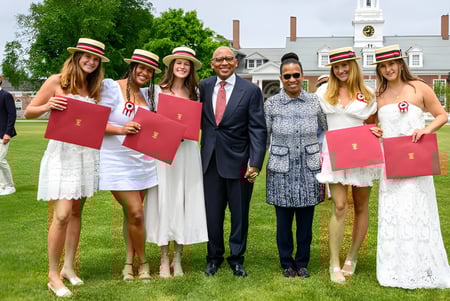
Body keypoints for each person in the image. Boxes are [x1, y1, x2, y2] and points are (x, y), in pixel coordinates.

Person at [24, 38, 109, 297]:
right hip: (62, 155)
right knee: (61, 215)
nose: (91, 62)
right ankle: (53, 274)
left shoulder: (94, 88)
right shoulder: (56, 81)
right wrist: (48, 106)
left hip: (86, 155)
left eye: (96, 59)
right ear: (76, 57)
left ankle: (69, 268)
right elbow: (28, 112)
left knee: (75, 213)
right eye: (87, 57)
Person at [372, 44, 450, 289]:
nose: (388, 69)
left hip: (417, 161)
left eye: (392, 64)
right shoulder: (379, 95)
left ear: (401, 63)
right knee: (393, 212)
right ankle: (395, 267)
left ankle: (423, 264)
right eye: (383, 66)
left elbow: (441, 115)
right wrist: (375, 131)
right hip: (391, 163)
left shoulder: (419, 87)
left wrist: (426, 129)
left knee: (417, 209)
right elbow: (373, 126)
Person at [200, 46, 267, 277]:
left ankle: (237, 258)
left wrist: (255, 163)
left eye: (228, 58)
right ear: (212, 63)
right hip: (209, 162)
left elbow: (258, 129)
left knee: (239, 215)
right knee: (212, 215)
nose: (224, 63)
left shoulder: (250, 91)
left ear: (236, 62)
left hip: (240, 163)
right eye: (219, 59)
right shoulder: (204, 86)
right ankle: (213, 257)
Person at [315, 47, 378, 283]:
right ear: (332, 70)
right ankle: (334, 263)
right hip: (334, 153)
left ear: (354, 66)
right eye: (337, 67)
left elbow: (373, 122)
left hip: (361, 152)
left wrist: (374, 129)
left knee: (361, 207)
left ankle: (352, 257)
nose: (342, 70)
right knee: (339, 206)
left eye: (346, 65)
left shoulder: (368, 93)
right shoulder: (323, 92)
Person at [145, 46, 208, 278]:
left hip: (188, 151)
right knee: (165, 199)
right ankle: (163, 258)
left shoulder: (196, 93)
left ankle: (178, 257)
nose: (182, 66)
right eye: (178, 62)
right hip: (163, 152)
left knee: (184, 199)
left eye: (187, 63)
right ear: (171, 65)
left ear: (191, 68)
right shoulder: (155, 91)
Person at [99, 49, 160, 281]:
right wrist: (121, 129)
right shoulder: (111, 87)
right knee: (135, 211)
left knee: (132, 216)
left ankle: (128, 263)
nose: (144, 73)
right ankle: (143, 263)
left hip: (142, 163)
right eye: (141, 68)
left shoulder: (149, 95)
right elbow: (97, 122)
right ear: (132, 66)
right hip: (116, 161)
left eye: (149, 70)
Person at [264, 53, 327, 278]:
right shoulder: (271, 104)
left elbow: (327, 128)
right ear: (281, 78)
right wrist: (254, 164)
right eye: (287, 76)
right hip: (281, 168)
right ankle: (286, 262)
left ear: (302, 76)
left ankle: (302, 262)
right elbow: (264, 136)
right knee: (283, 222)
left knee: (305, 222)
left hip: (309, 169)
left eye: (296, 75)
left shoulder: (314, 102)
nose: (292, 79)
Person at [0, 75, 17, 195]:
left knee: (0, 159)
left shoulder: (6, 95)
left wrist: (7, 133)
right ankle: (2, 185)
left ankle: (10, 186)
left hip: (3, 134)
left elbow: (12, 115)